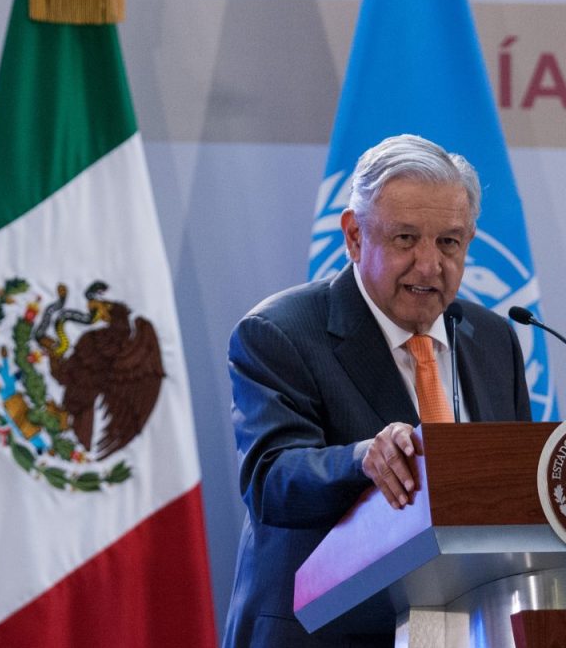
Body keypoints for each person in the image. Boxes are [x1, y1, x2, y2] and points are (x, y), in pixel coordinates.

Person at [222, 134, 531, 647]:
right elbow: (269, 480)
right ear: (354, 236)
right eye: (406, 239)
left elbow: (512, 489)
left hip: (468, 628)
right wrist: (364, 459)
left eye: (449, 242)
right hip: (322, 635)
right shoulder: (280, 332)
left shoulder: (492, 338)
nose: (430, 264)